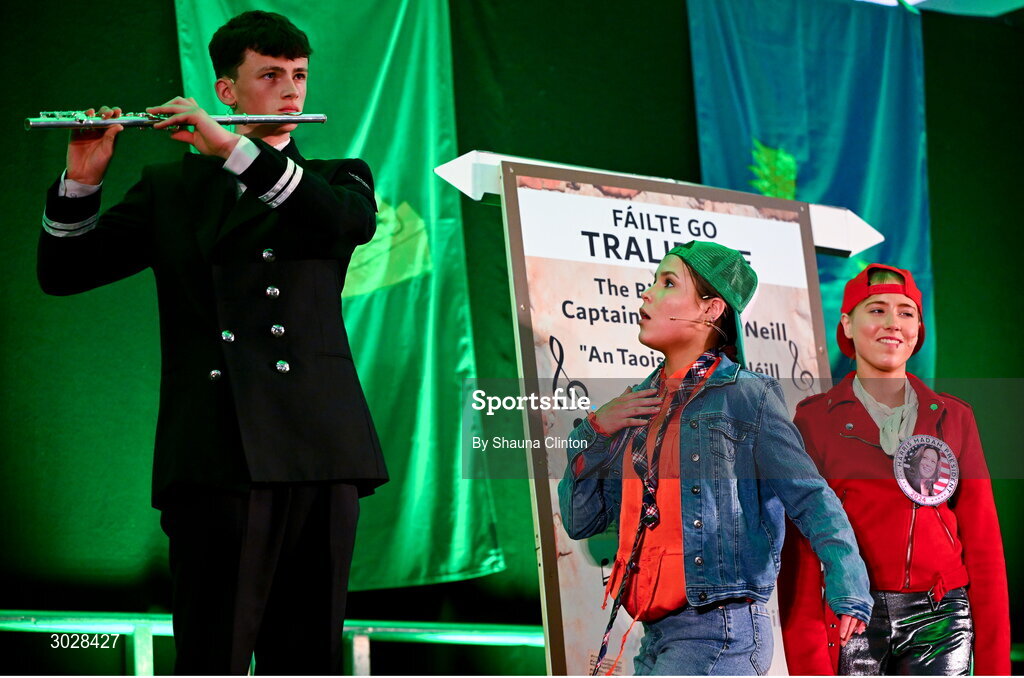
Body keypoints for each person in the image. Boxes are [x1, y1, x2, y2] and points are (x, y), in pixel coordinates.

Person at [36, 10, 387, 674]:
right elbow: (64, 272)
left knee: (307, 659)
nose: (291, 91)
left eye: (299, 76)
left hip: (319, 451)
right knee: (211, 657)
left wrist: (231, 149)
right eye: (271, 76)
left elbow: (341, 227)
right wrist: (82, 176)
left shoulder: (341, 177)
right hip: (214, 455)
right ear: (227, 91)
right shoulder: (171, 189)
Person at [557, 241, 872, 676]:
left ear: (712, 309)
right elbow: (581, 520)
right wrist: (593, 432)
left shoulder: (747, 396)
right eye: (653, 281)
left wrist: (848, 584)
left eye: (668, 282)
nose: (647, 293)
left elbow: (811, 497)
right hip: (654, 635)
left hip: (719, 631)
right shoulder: (635, 406)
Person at [778, 264, 1009, 675]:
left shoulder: (954, 417)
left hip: (942, 617)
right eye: (877, 309)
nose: (893, 323)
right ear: (847, 324)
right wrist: (809, 662)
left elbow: (985, 544)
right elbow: (800, 550)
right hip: (853, 617)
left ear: (919, 328)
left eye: (906, 312)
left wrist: (994, 667)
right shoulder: (813, 421)